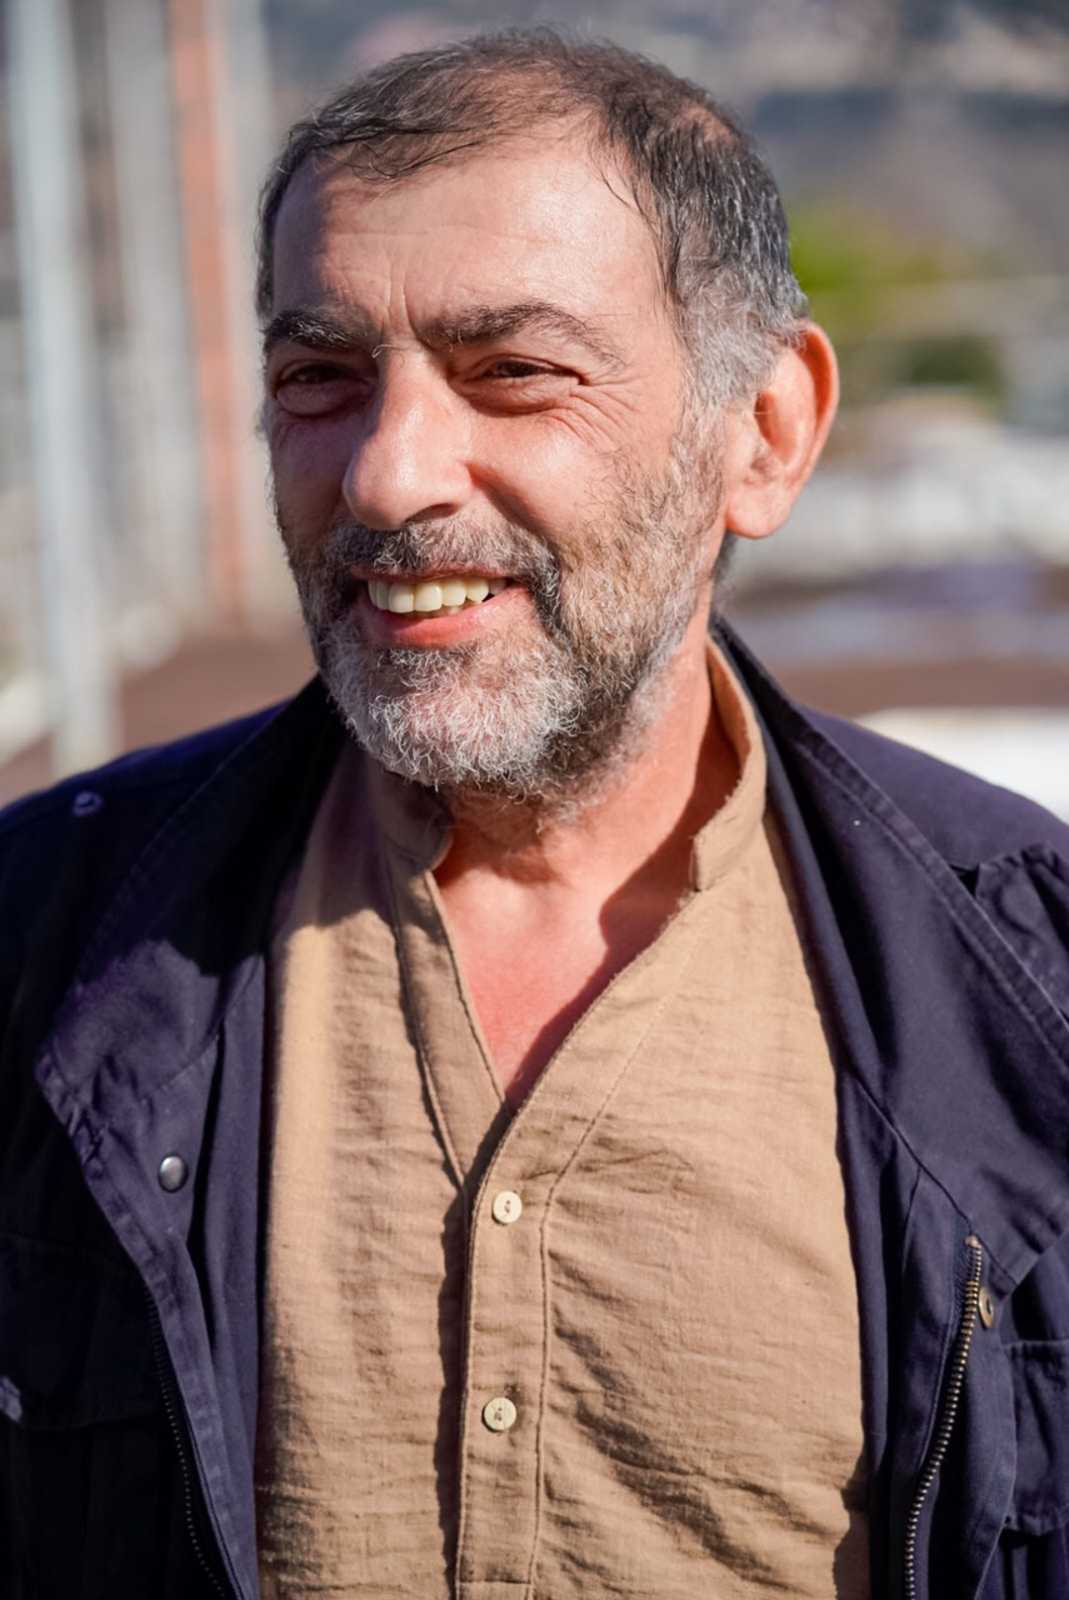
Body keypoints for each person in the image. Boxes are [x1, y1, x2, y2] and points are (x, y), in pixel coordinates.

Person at [2, 27, 1068, 1600]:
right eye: (319, 378)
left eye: (512, 372)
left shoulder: (1026, 980)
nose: (387, 476)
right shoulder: (48, 938)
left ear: (763, 430)